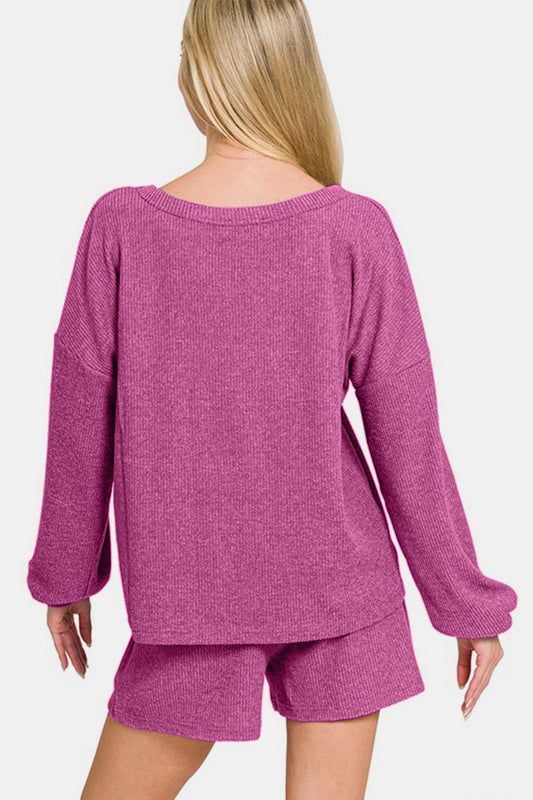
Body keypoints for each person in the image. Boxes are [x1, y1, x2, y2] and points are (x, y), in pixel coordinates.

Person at [26, 1, 518, 798]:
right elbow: (409, 439)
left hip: (192, 594)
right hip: (341, 585)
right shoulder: (353, 228)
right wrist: (466, 606)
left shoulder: (121, 226)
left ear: (198, 72)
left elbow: (79, 419)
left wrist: (66, 575)